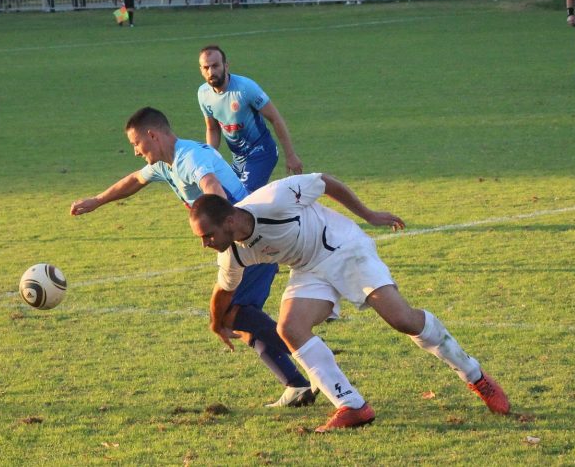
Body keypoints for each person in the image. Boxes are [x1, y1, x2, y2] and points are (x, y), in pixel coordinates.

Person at [188, 173, 511, 432]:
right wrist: (216, 323)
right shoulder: (231, 253)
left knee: (403, 320)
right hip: (309, 267)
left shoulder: (273, 200)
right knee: (290, 328)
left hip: (343, 246)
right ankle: (352, 406)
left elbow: (325, 182)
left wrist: (369, 214)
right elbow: (224, 292)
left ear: (229, 222)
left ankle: (475, 376)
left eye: (208, 236)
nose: (205, 244)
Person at [70, 107, 315, 408]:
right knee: (240, 320)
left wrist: (226, 233)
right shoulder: (166, 162)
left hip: (244, 239)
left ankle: (313, 357)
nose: (135, 151)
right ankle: (297, 384)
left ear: (152, 135)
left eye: (136, 144)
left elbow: (210, 185)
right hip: (240, 237)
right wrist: (97, 200)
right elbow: (135, 179)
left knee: (231, 314)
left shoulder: (190, 158)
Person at [198, 45, 303, 192]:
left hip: (261, 152)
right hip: (239, 159)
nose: (211, 72)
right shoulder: (203, 94)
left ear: (226, 66)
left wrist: (291, 155)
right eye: (206, 67)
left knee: (244, 199)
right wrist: (210, 159)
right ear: (201, 70)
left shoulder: (245, 88)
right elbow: (212, 128)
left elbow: (276, 119)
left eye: (215, 66)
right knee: (224, 197)